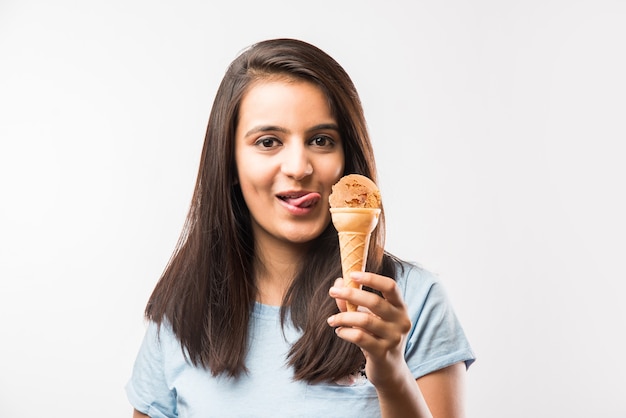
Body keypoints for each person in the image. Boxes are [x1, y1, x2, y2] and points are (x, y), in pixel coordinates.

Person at [126, 38, 475, 418]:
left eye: (321, 140)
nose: (298, 167)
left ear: (347, 158)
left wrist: (391, 374)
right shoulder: (181, 317)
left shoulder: (412, 302)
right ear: (229, 161)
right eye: (269, 141)